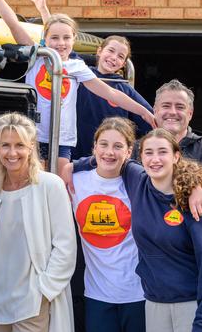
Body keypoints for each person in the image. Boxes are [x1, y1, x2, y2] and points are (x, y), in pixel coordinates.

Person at [0, 0, 155, 174]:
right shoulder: (39, 56)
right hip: (34, 135)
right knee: (36, 181)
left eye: (66, 38)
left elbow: (111, 92)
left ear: (74, 39)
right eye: (55, 38)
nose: (61, 43)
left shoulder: (77, 67)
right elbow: (13, 23)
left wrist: (143, 112)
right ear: (46, 39)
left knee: (61, 183)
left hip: (63, 139)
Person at [28, 0, 153, 159]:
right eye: (110, 51)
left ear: (124, 63)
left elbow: (147, 115)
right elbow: (58, 47)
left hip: (102, 155)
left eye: (120, 56)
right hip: (72, 146)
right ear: (99, 51)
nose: (114, 58)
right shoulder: (81, 69)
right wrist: (43, 11)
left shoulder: (123, 87)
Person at [0, 112, 76, 332]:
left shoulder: (50, 185)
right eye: (5, 145)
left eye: (19, 145)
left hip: (33, 300)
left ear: (31, 146)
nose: (12, 153)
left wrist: (44, 290)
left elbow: (66, 246)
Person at [125, 128, 202, 332]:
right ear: (140, 157)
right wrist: (71, 166)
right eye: (149, 153)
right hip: (154, 304)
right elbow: (108, 156)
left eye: (162, 152)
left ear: (176, 156)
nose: (155, 159)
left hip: (192, 306)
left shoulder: (193, 202)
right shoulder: (137, 180)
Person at [69, 79, 202, 190]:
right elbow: (108, 158)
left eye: (180, 107)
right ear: (155, 110)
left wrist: (195, 190)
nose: (172, 112)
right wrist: (73, 166)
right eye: (166, 106)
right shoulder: (136, 148)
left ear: (190, 113)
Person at [70, 117, 145, 332]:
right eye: (103, 144)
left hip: (138, 293)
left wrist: (194, 188)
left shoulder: (138, 183)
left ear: (129, 152)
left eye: (118, 146)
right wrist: (70, 167)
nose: (109, 152)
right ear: (94, 147)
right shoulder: (76, 180)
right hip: (97, 294)